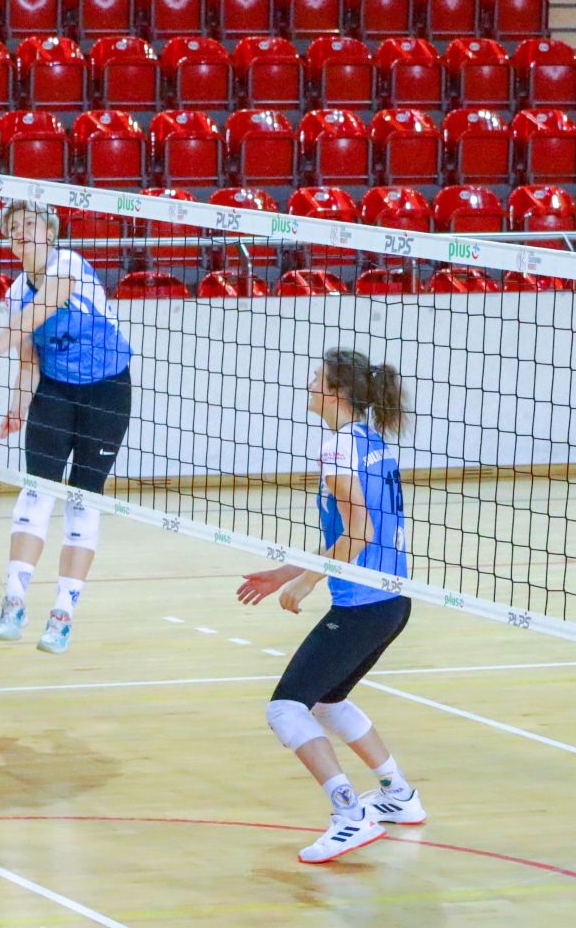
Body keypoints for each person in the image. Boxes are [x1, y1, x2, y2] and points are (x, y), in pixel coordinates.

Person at [236, 349, 425, 865]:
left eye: (316, 377)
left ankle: (351, 815)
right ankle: (399, 796)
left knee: (285, 708)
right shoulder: (372, 442)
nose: (308, 383)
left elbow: (359, 532)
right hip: (391, 602)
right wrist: (285, 573)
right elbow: (354, 532)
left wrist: (307, 583)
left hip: (362, 606)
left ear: (336, 392)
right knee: (327, 702)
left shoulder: (338, 450)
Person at [0, 202, 133, 655]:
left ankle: (63, 614)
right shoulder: (15, 293)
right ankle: (14, 601)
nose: (22, 232)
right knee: (36, 490)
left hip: (106, 391)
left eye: (30, 224)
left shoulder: (68, 265)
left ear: (49, 233)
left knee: (84, 497)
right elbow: (29, 360)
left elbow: (36, 314)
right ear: (9, 243)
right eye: (14, 228)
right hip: (54, 391)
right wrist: (18, 405)